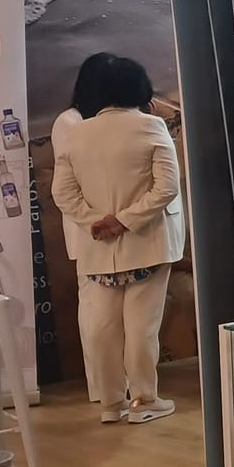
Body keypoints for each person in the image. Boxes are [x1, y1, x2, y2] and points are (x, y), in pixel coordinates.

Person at [52, 56, 186, 425]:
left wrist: (96, 222)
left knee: (104, 328)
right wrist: (125, 220)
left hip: (98, 247)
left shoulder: (77, 132)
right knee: (142, 328)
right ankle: (144, 400)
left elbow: (62, 194)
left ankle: (111, 404)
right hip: (148, 243)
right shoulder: (151, 125)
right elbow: (167, 187)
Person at [53, 52, 120, 404]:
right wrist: (98, 219)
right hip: (89, 229)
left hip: (117, 228)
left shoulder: (110, 120)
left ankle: (117, 382)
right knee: (95, 309)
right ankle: (100, 386)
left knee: (114, 313)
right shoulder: (70, 121)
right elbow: (73, 183)